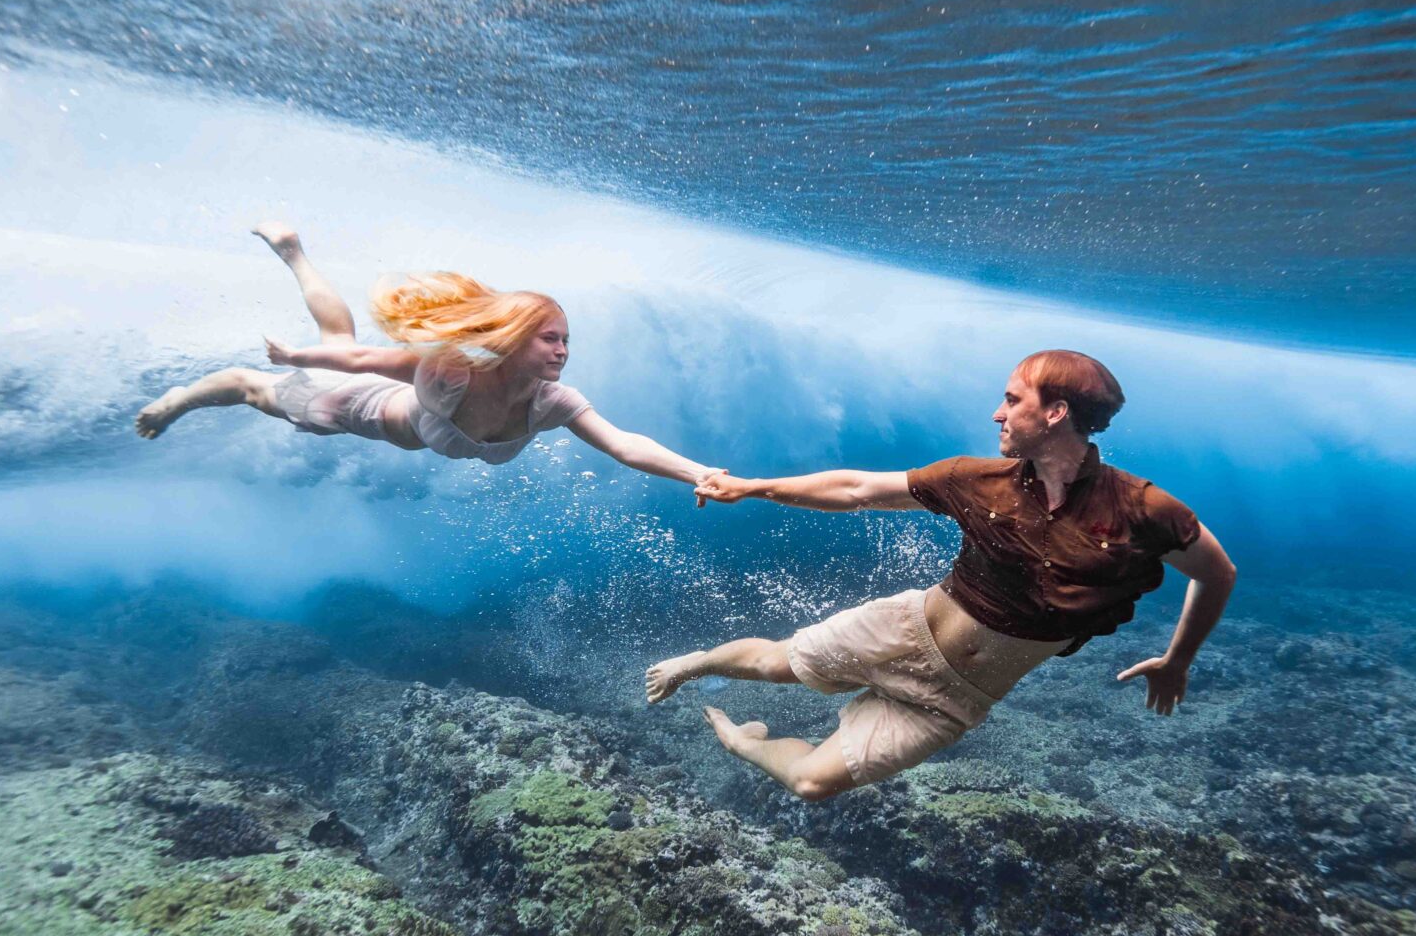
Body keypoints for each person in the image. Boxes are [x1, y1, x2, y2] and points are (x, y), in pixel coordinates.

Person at [645, 350, 1235, 800]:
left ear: (1056, 413)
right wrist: (753, 487)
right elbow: (857, 488)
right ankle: (695, 663)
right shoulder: (977, 480)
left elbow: (1217, 574)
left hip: (956, 697)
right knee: (775, 664)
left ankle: (742, 741)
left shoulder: (1143, 510)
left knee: (810, 784)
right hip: (903, 631)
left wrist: (1177, 659)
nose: (998, 413)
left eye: (1013, 400)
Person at [134, 226, 717, 487]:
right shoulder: (452, 370)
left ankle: (293, 251)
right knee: (256, 386)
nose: (562, 351)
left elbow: (624, 445)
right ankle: (180, 399)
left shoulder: (553, 403)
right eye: (550, 339)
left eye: (567, 340)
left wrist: (702, 473)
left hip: (378, 396)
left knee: (336, 335)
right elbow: (363, 361)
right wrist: (293, 355)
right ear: (515, 338)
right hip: (348, 405)